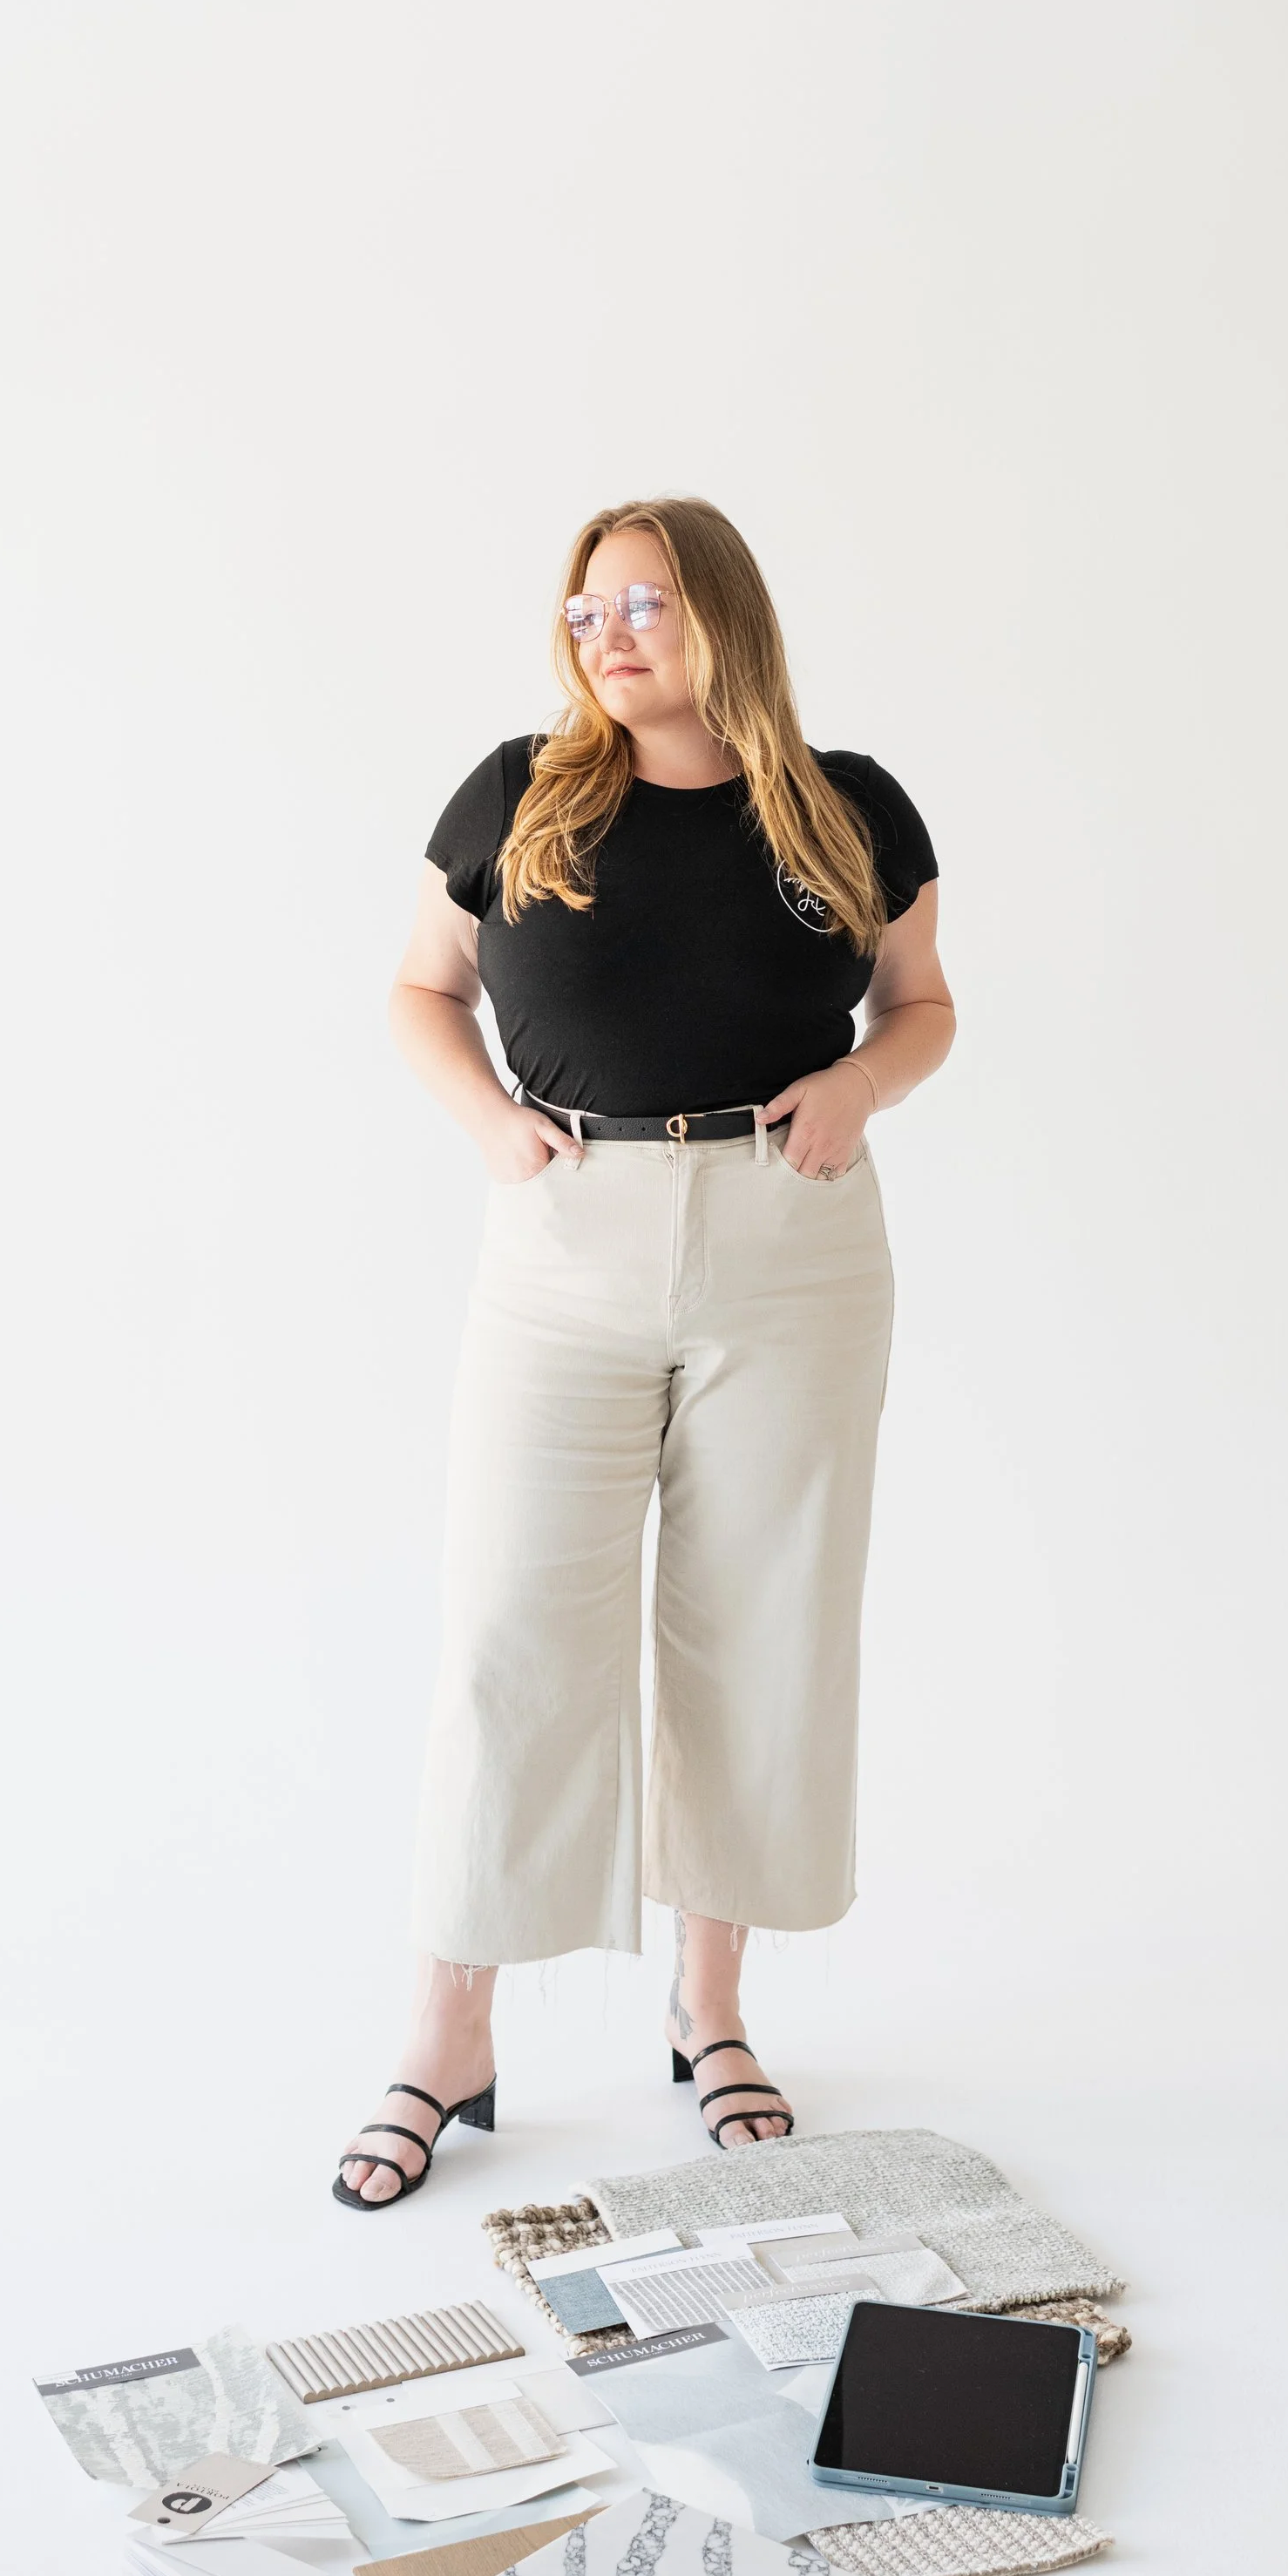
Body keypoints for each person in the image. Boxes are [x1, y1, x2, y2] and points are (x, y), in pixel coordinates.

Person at [336, 498, 955, 2208]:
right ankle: (446, 2038)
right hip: (567, 1236)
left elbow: (920, 1005)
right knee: (511, 1634)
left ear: (722, 616)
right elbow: (418, 989)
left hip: (790, 1240)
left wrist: (858, 1086)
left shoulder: (845, 805)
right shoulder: (518, 794)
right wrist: (488, 1125)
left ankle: (710, 2013)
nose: (607, 634)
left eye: (645, 605)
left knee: (759, 1627)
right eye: (585, 609)